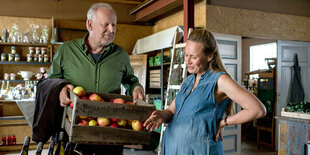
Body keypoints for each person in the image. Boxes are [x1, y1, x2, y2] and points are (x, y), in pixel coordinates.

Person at [143, 29, 266, 155]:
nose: (188, 61)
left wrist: (224, 122)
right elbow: (171, 110)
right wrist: (161, 115)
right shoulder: (188, 81)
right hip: (172, 148)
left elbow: (258, 109)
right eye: (186, 55)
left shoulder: (220, 80)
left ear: (209, 56)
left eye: (194, 57)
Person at [47, 2, 144, 154]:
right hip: (75, 128)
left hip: (110, 133)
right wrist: (60, 88)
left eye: (114, 25)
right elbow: (51, 81)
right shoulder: (66, 51)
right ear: (90, 24)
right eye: (106, 24)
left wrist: (136, 87)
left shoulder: (121, 55)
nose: (112, 30)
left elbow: (130, 80)